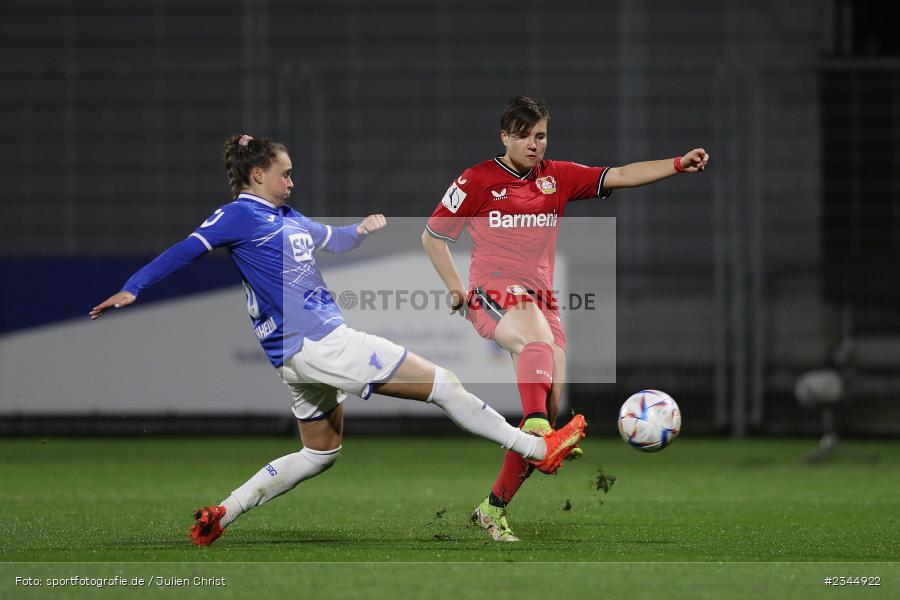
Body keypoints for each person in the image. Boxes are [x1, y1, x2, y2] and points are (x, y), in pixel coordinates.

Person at [89, 134, 587, 547]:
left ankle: (223, 512)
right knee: (446, 385)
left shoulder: (287, 219)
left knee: (319, 454)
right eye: (285, 173)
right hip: (321, 342)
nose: (292, 181)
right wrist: (135, 287)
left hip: (296, 359)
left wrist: (362, 230)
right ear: (257, 176)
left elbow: (335, 239)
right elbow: (185, 250)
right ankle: (536, 448)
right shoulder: (238, 215)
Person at [422, 96, 710, 542]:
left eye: (540, 136)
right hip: (492, 289)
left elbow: (620, 173)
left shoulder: (556, 178)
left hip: (542, 299)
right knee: (537, 379)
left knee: (549, 408)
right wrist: (456, 289)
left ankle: (492, 507)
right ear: (504, 136)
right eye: (523, 136)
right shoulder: (476, 180)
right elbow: (433, 235)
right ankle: (536, 426)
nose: (533, 144)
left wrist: (677, 163)